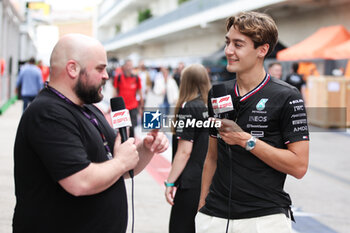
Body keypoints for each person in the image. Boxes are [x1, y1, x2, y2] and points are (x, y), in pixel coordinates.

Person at [13, 34, 169, 233]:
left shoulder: (88, 108)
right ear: (72, 69)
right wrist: (121, 161)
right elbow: (80, 181)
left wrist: (145, 147)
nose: (106, 76)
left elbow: (118, 164)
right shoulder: (47, 113)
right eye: (100, 68)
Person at [196, 12, 309, 233]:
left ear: (262, 50)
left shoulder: (287, 96)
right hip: (214, 216)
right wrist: (202, 207)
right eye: (228, 42)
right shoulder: (218, 93)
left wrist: (245, 140)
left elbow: (299, 166)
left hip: (264, 218)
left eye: (238, 44)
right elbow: (212, 156)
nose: (229, 51)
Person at [165, 64, 211, 233]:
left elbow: (185, 151)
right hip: (211, 179)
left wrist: (170, 181)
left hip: (191, 181)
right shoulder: (212, 107)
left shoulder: (189, 107)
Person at [113, 59, 143, 138]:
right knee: (122, 129)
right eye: (128, 65)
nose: (129, 67)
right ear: (124, 67)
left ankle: (132, 144)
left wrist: (141, 107)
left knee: (132, 127)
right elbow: (115, 91)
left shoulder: (136, 78)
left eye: (131, 65)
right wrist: (112, 105)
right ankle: (123, 144)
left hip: (133, 106)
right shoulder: (118, 77)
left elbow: (140, 93)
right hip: (122, 108)